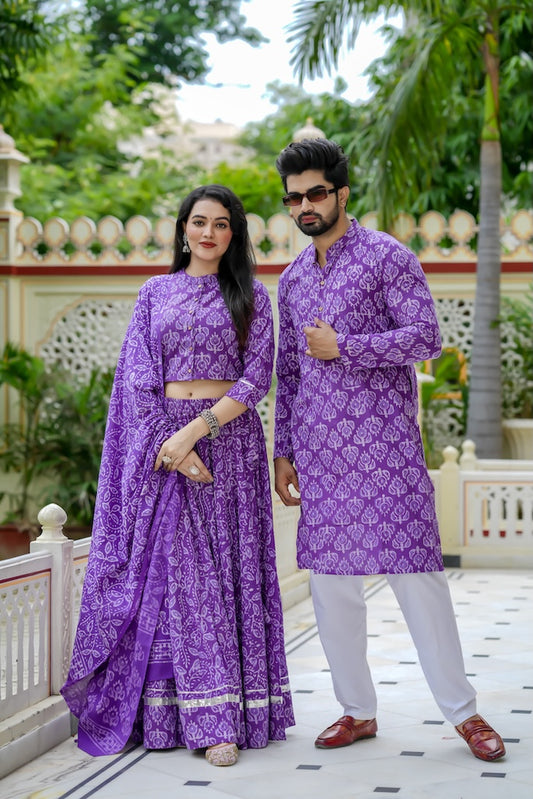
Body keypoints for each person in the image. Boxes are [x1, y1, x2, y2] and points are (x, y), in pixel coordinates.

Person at [272, 138, 505, 762]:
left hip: (386, 451)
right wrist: (283, 450)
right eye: (294, 198)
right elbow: (288, 373)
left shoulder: (386, 259)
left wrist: (345, 346)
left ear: (342, 193)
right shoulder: (292, 280)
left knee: (418, 580)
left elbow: (425, 336)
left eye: (315, 193)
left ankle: (464, 713)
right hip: (322, 457)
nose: (305, 206)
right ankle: (357, 710)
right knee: (331, 588)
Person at [61, 185, 295, 767]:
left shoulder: (251, 296)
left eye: (221, 224)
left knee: (224, 575)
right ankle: (189, 718)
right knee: (185, 579)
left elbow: (254, 382)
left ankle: (224, 717)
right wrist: (170, 444)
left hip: (228, 447)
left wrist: (195, 433)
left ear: (234, 234)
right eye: (199, 222)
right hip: (164, 450)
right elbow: (138, 377)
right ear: (182, 229)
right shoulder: (154, 292)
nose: (209, 233)